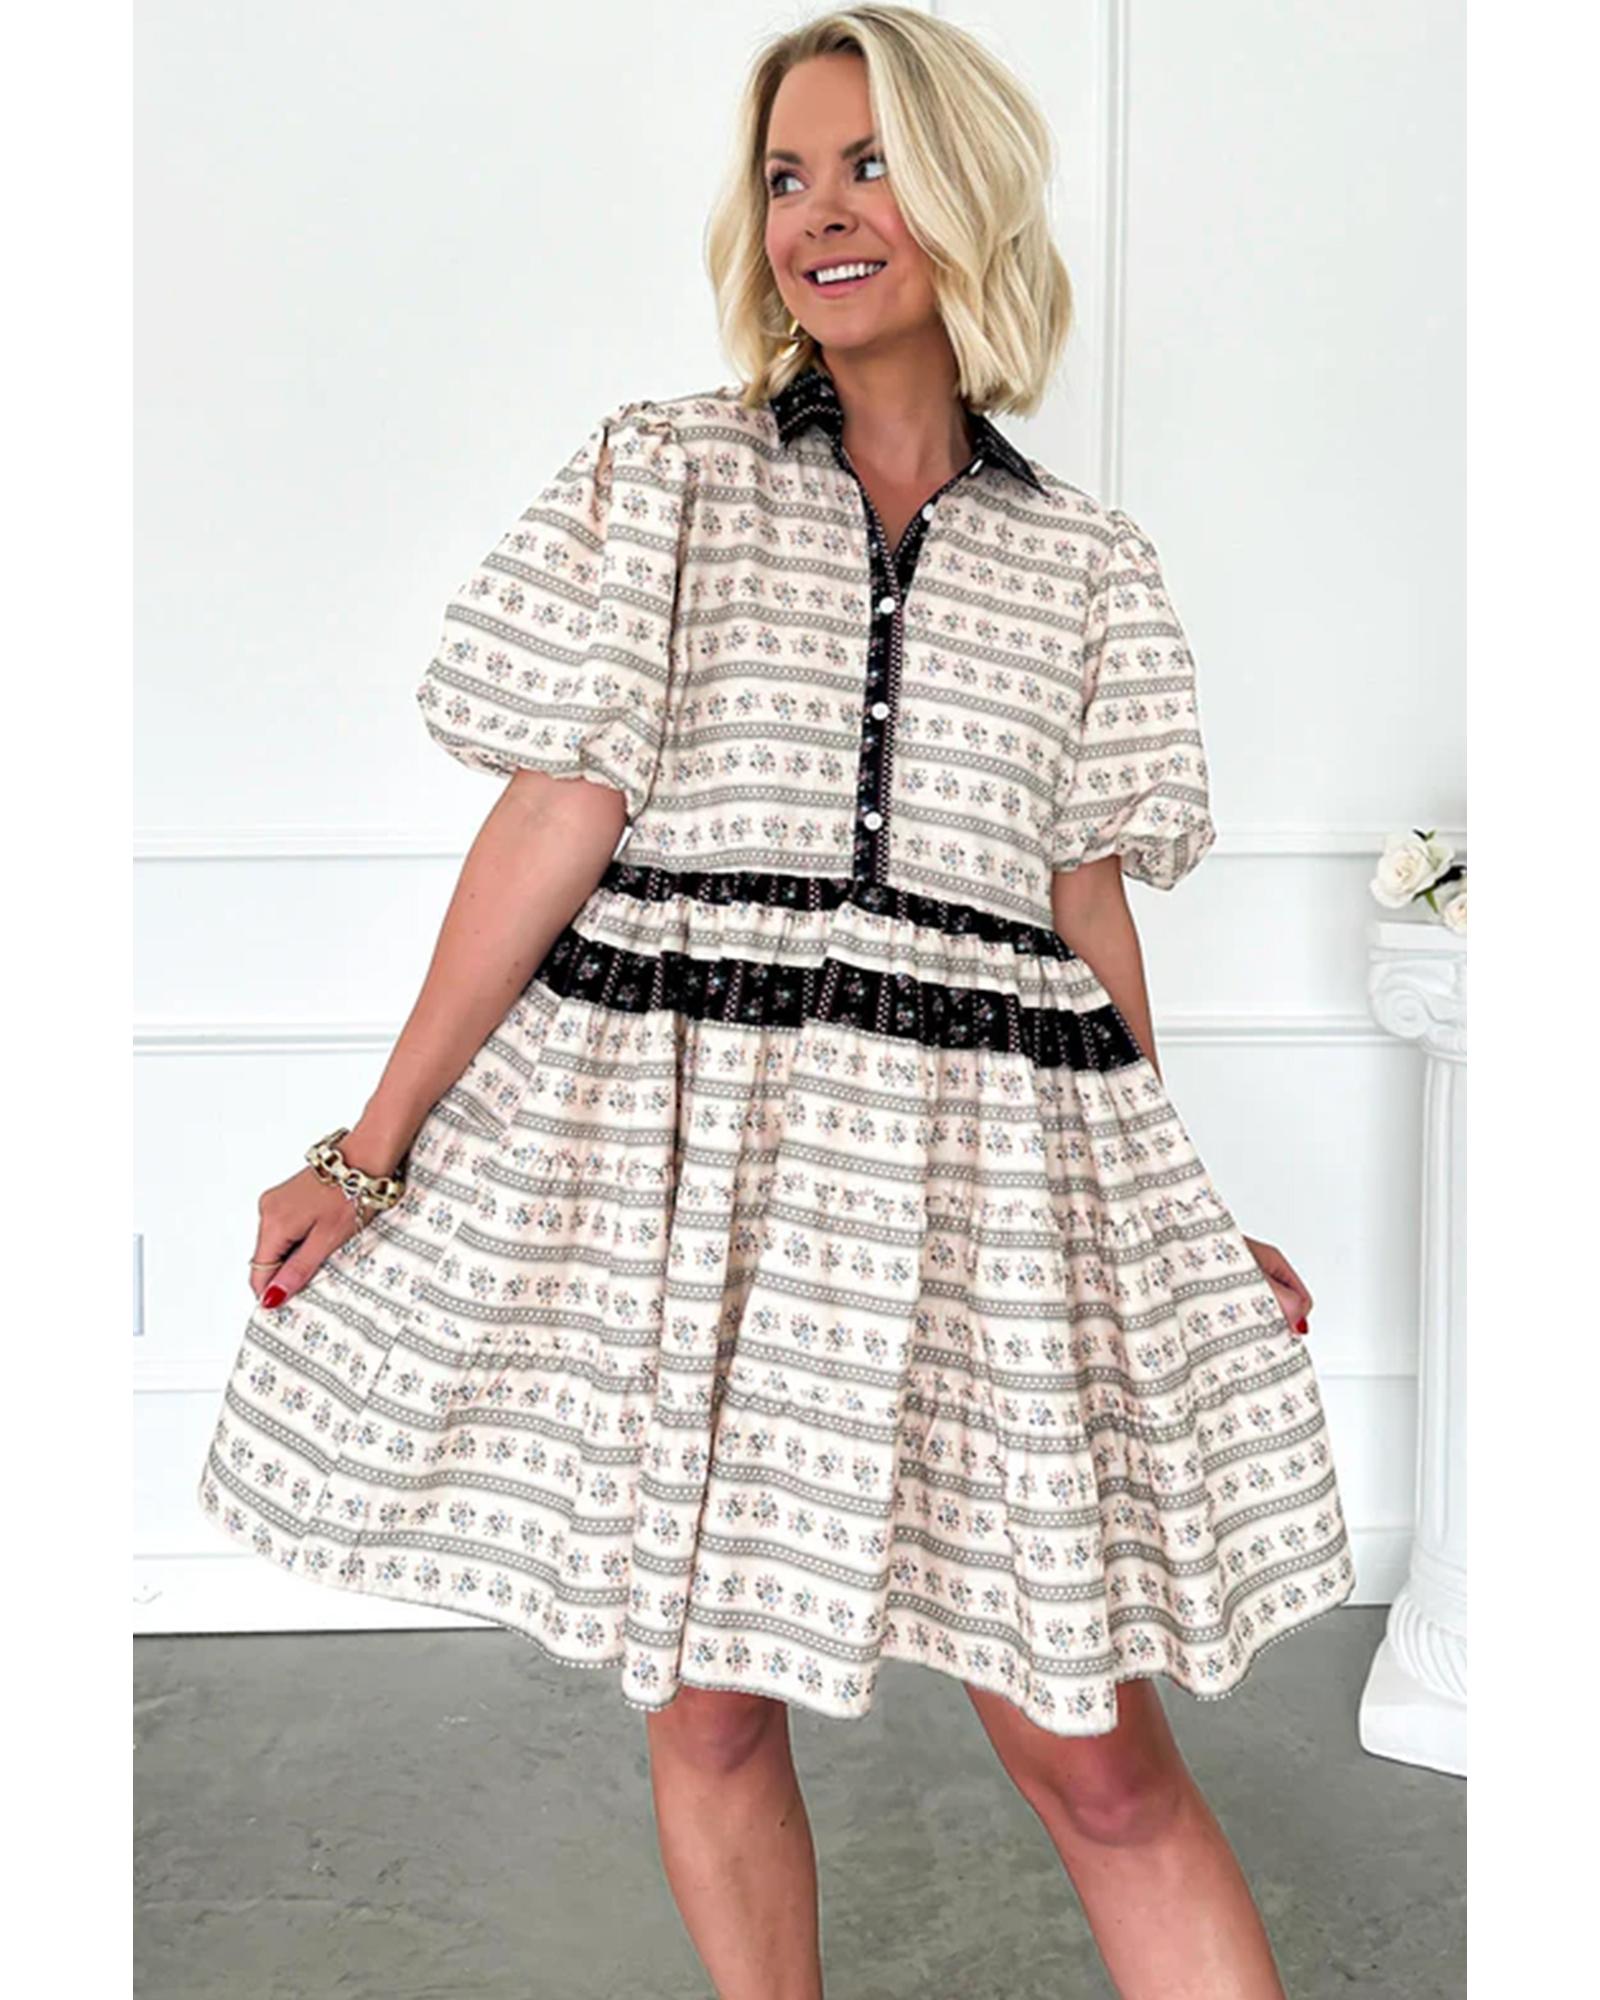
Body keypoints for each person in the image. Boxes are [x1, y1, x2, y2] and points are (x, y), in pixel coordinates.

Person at [196, 7, 1357, 1995]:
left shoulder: (1089, 568)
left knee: (1096, 1758)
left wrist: (1162, 1227)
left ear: (967, 194)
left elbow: (1081, 912)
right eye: (787, 175)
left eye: (871, 164)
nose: (821, 212)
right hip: (700, 1178)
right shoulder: (667, 478)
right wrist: (366, 1153)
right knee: (713, 1708)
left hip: (974, 1197)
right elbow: (554, 815)